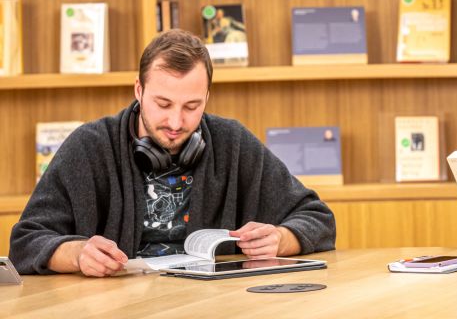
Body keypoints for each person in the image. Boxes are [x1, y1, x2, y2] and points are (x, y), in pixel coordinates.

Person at [10, 29, 336, 276]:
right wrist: (78, 254)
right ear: (139, 90)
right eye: (163, 104)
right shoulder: (89, 146)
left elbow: (318, 218)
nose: (176, 122)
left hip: (211, 307)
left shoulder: (232, 142)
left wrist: (281, 238)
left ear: (207, 97)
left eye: (192, 106)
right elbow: (25, 242)